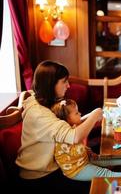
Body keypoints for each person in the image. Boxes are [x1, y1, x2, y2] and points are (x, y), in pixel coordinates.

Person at [15, 61, 101, 193]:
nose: (68, 85)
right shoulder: (39, 113)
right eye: (64, 81)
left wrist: (90, 117)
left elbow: (64, 128)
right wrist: (95, 115)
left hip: (54, 166)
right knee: (99, 184)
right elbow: (74, 136)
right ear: (50, 84)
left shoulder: (39, 99)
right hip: (39, 177)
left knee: (97, 159)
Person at [51, 98, 121, 181]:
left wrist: (88, 152)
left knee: (102, 159)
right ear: (67, 119)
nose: (80, 114)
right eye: (76, 113)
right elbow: (76, 150)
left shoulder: (72, 127)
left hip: (82, 159)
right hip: (77, 170)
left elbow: (82, 122)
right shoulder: (64, 136)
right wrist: (87, 151)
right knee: (104, 173)